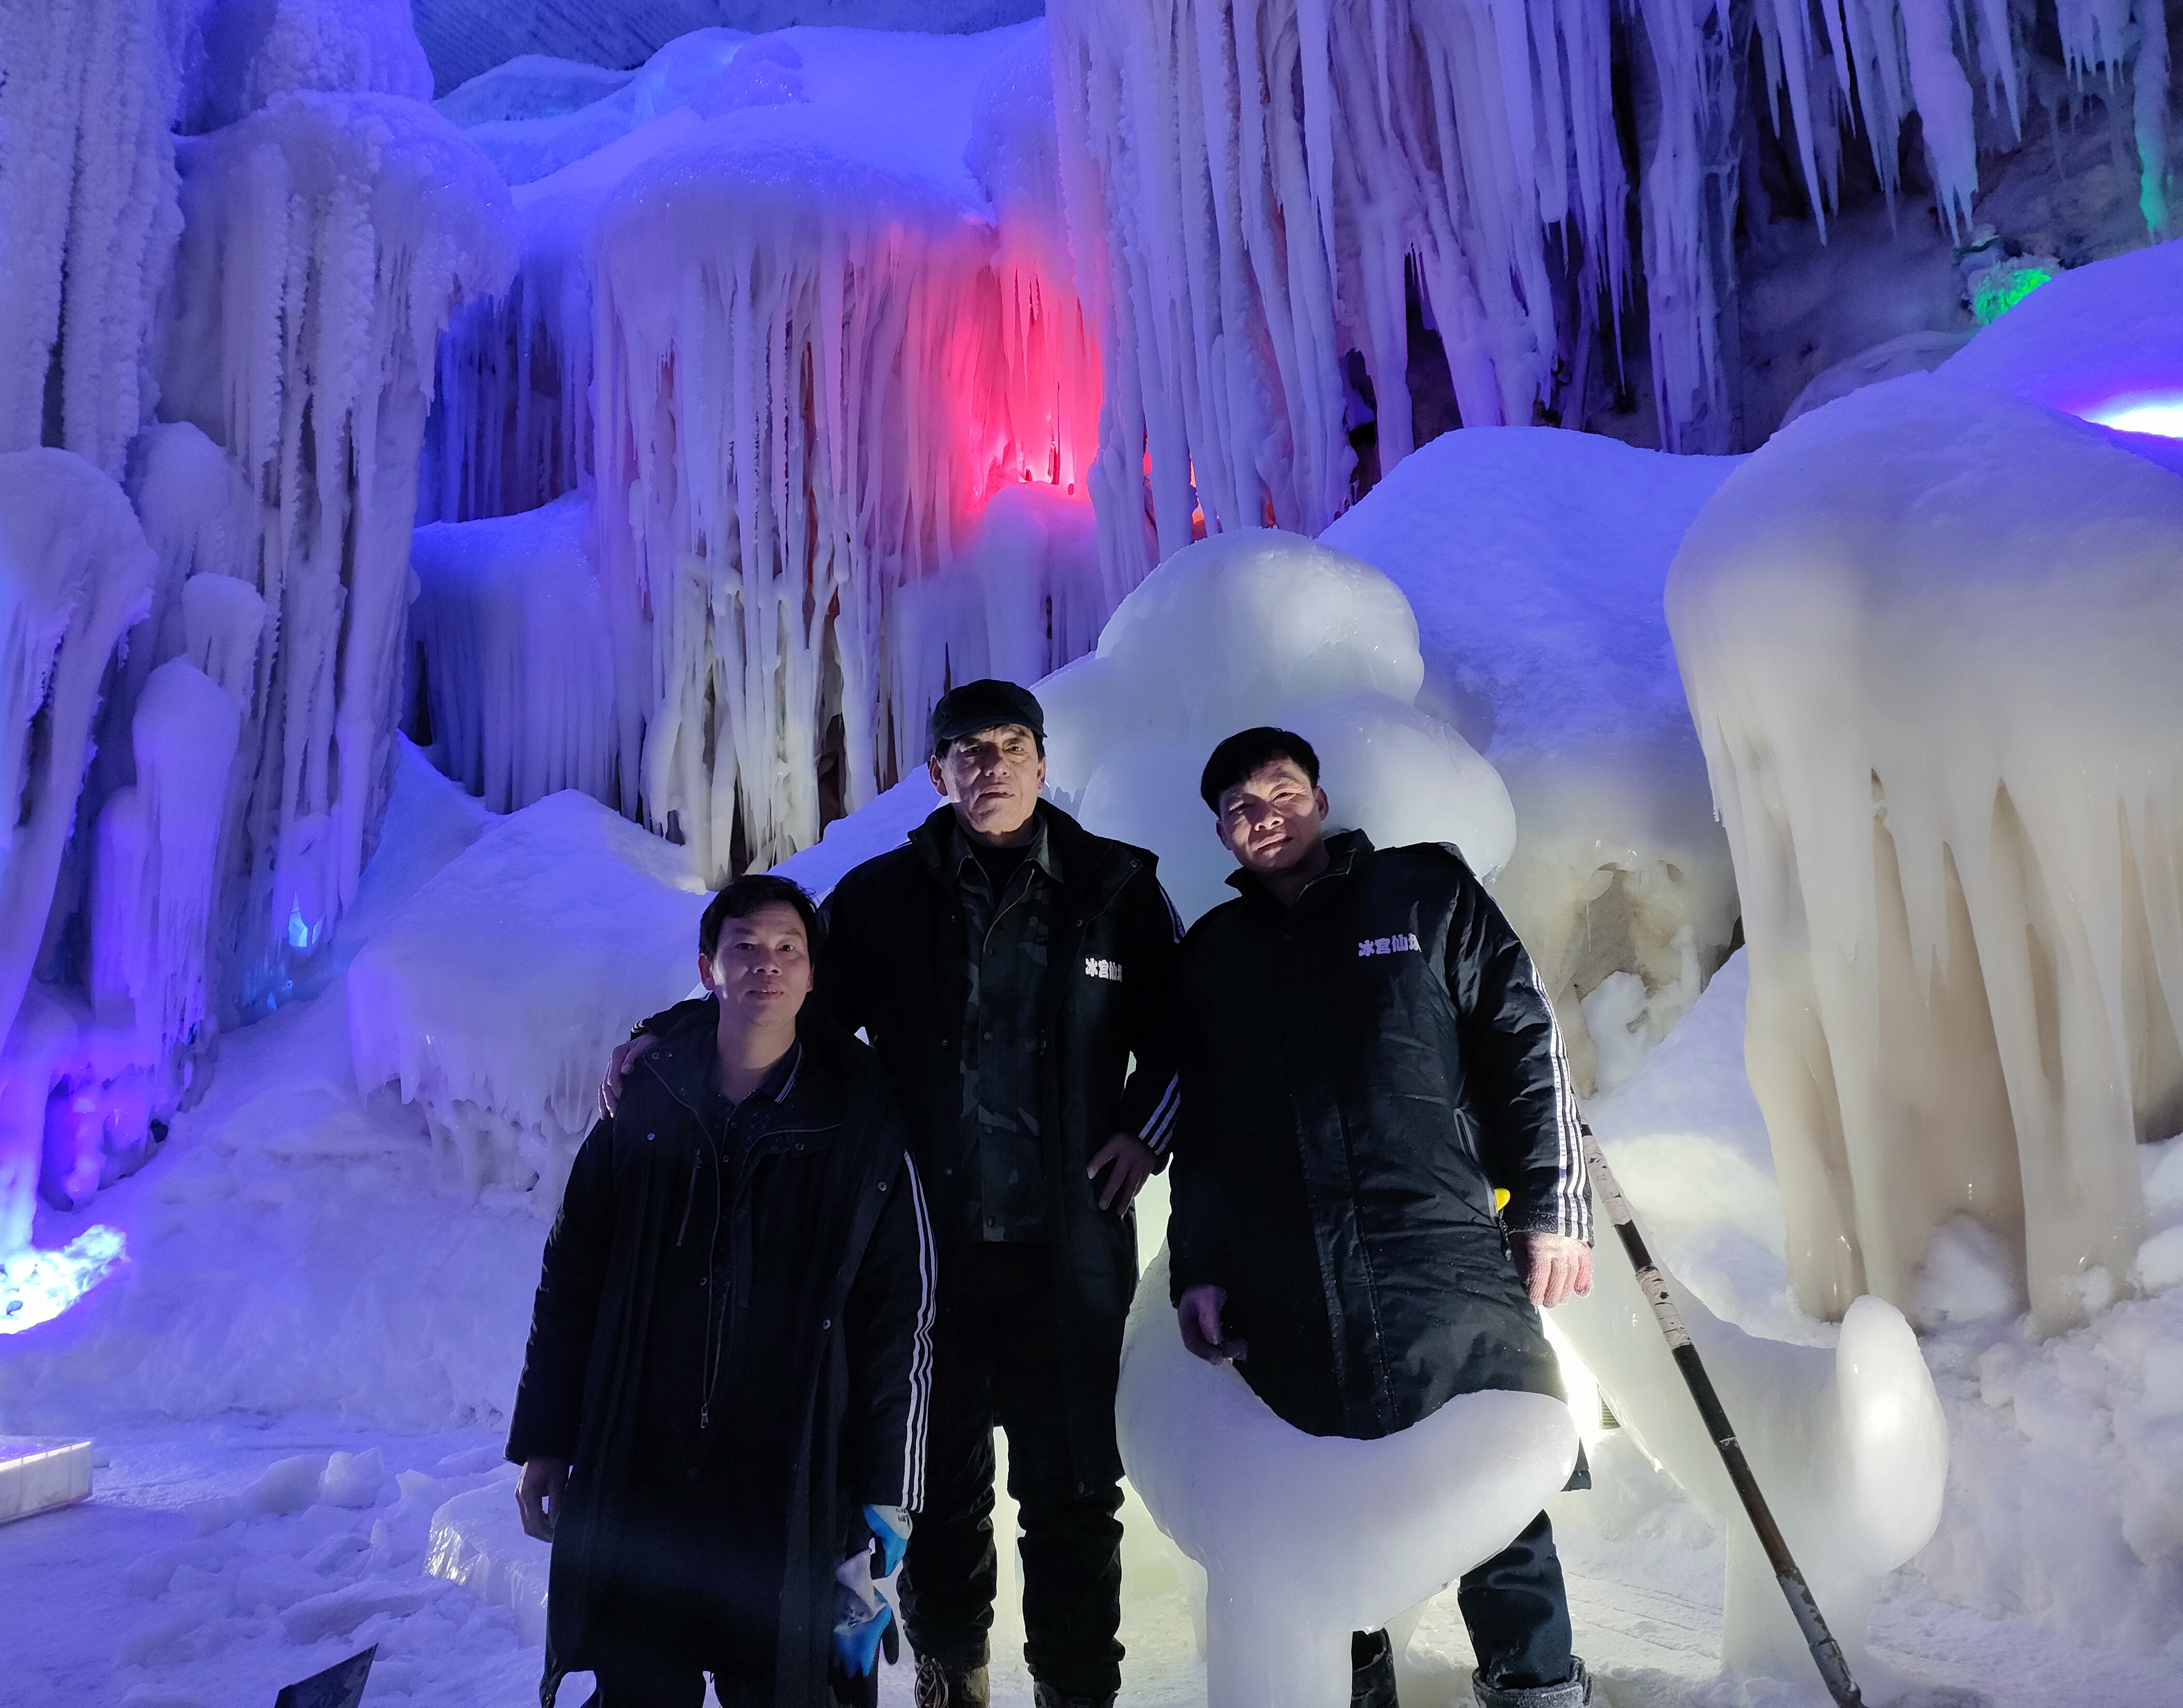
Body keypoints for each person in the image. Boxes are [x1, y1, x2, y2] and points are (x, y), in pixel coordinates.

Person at [607, 678, 1183, 1708]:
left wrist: (1147, 1131)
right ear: (936, 775)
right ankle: (947, 1679)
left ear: (1043, 765)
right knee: (938, 1493)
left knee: (1075, 1495)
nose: (990, 766)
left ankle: (1076, 1692)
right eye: (966, 752)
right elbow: (784, 996)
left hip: (1070, 1253)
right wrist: (675, 1030)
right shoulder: (882, 898)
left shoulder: (1116, 889)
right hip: (929, 1261)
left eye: (1010, 747)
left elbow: (1190, 1036)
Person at [1168, 728, 1596, 1708]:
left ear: (1320, 800)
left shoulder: (1422, 894)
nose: (1261, 814)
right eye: (1237, 807)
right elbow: (1204, 1124)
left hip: (1441, 1249)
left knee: (1499, 1493)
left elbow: (1523, 1037)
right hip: (1287, 1272)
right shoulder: (1215, 953)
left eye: (1279, 791)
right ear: (1223, 836)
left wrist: (1552, 1206)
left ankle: (1535, 1691)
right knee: (1324, 1504)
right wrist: (1201, 1264)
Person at [507, 874, 936, 1708]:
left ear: (815, 977)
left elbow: (903, 1317)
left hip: (790, 1473)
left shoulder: (863, 1127)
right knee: (638, 1685)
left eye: (788, 950)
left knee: (783, 1685)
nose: (766, 967)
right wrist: (547, 1437)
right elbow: (571, 1279)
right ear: (708, 968)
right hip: (645, 1465)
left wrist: (891, 1491)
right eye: (744, 948)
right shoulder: (643, 1108)